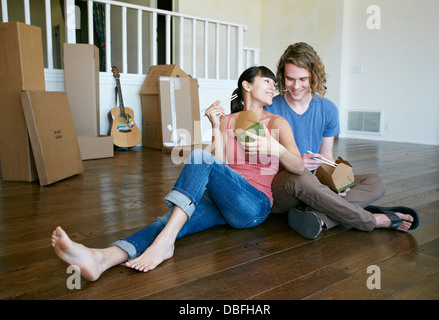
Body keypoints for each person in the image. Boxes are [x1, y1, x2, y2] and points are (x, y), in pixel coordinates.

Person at [51, 66, 303, 281]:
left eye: (274, 83)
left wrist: (275, 147)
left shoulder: (277, 123)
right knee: (170, 221)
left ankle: (164, 244)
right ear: (247, 85)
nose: (273, 87)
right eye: (267, 81)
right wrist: (215, 126)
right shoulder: (227, 120)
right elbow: (220, 164)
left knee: (196, 161)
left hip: (254, 204)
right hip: (224, 197)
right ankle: (102, 258)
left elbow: (299, 167)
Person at [265, 42, 419, 239]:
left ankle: (319, 217)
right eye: (290, 78)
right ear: (282, 76)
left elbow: (327, 156)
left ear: (314, 76)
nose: (296, 86)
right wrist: (293, 162)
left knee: (375, 182)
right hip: (285, 187)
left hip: (315, 185)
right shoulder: (270, 108)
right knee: (301, 175)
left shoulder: (327, 109)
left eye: (303, 79)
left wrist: (337, 184)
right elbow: (261, 164)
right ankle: (373, 220)